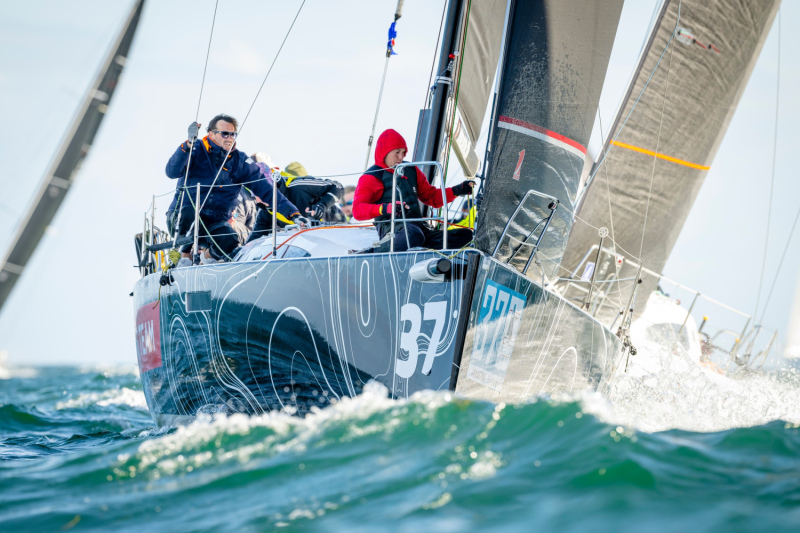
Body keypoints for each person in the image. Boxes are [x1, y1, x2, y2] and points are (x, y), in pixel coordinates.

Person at [165, 114, 305, 263]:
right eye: (225, 133)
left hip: (213, 223)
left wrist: (293, 213)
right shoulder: (196, 149)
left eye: (233, 134)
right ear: (211, 134)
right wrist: (187, 145)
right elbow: (172, 172)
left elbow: (267, 190)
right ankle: (184, 256)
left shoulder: (240, 161)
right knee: (189, 213)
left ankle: (206, 259)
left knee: (230, 239)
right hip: (182, 218)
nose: (230, 138)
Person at [352, 128, 475, 251]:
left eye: (403, 152)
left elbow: (432, 197)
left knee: (465, 236)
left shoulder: (411, 170)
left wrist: (457, 190)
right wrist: (386, 208)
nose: (401, 157)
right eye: (397, 152)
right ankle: (373, 252)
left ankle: (424, 254)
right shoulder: (372, 177)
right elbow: (357, 210)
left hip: (418, 229)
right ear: (385, 152)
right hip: (393, 229)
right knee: (413, 235)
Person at [248, 160, 345, 240]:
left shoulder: (299, 187)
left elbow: (338, 187)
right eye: (254, 193)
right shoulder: (266, 210)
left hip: (337, 230)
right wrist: (237, 254)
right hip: (310, 242)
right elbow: (255, 238)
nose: (259, 199)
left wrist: (322, 206)